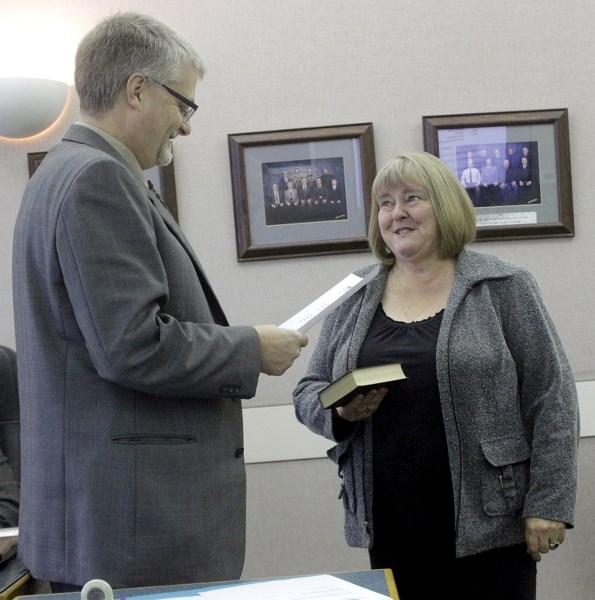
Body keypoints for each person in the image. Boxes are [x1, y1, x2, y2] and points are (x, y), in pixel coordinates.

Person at [12, 12, 308, 592]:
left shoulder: (62, 172)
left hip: (105, 524)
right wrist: (252, 349)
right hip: (128, 529)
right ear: (137, 89)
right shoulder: (97, 178)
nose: (187, 126)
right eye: (184, 104)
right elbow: (132, 346)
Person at [293, 151, 579, 600]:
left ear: (445, 205)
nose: (397, 213)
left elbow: (552, 398)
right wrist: (342, 413)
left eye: (412, 198)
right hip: (389, 520)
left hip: (492, 520)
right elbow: (308, 391)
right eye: (385, 203)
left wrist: (548, 504)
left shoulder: (504, 285)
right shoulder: (355, 294)